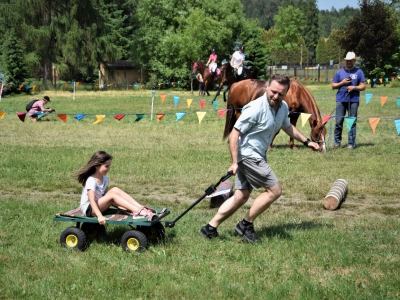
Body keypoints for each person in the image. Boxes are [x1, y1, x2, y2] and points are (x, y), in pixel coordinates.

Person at [199, 74, 319, 243]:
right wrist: (234, 162)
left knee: (241, 195)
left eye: (281, 94)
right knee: (275, 190)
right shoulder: (255, 108)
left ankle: (209, 228)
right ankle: (245, 225)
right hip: (248, 155)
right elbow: (234, 134)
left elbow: (287, 126)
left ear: (286, 93)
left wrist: (307, 142)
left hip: (257, 154)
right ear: (268, 87)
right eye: (274, 92)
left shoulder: (283, 107)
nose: (276, 96)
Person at [76, 151, 156, 225]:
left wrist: (124, 207)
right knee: (112, 195)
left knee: (115, 190)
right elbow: (92, 201)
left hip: (98, 206)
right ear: (97, 166)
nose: (109, 169)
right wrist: (100, 216)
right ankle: (138, 211)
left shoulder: (104, 179)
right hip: (89, 209)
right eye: (106, 166)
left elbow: (107, 198)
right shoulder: (91, 181)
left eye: (109, 166)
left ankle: (140, 208)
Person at [331, 51, 366, 149]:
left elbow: (363, 86)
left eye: (350, 61)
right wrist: (342, 83)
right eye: (347, 60)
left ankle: (351, 143)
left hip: (354, 100)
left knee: (352, 122)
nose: (348, 62)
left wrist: (354, 88)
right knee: (338, 121)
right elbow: (333, 86)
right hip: (341, 100)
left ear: (354, 61)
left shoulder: (359, 72)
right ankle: (337, 142)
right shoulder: (340, 72)